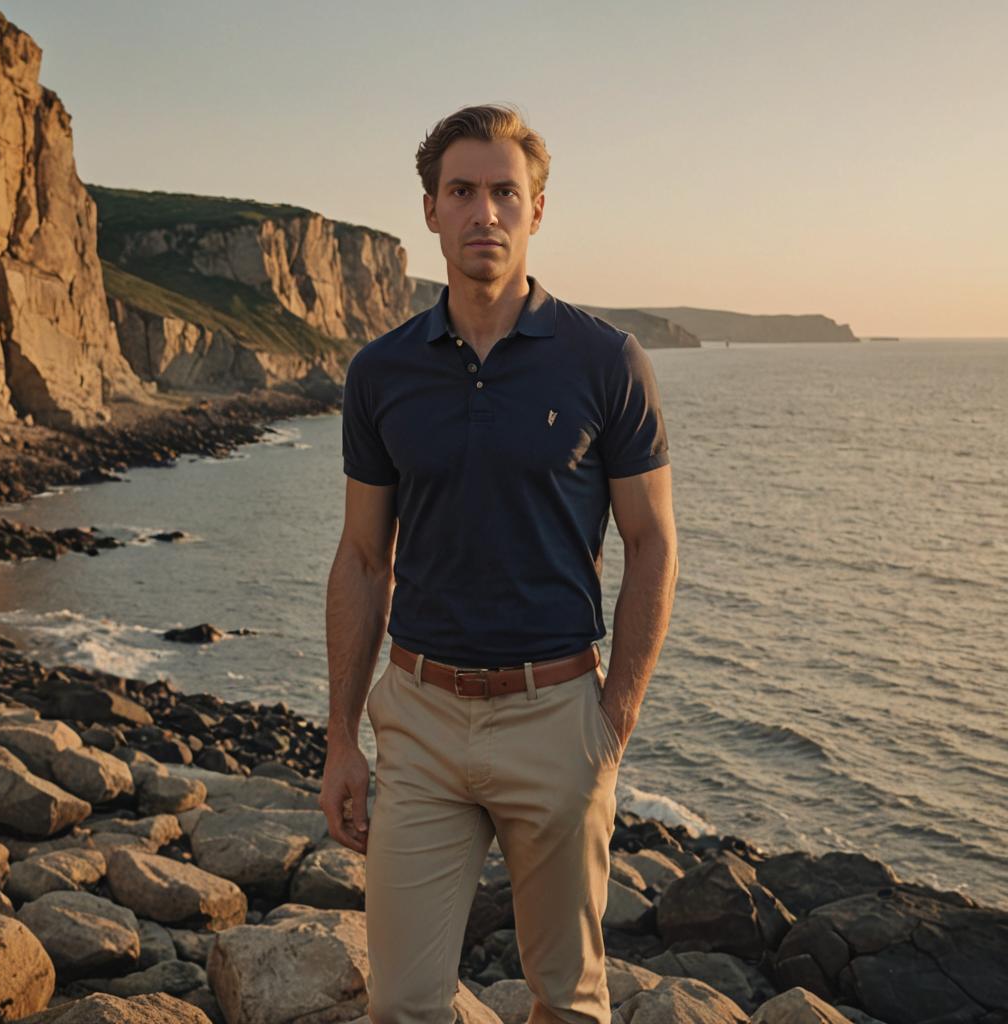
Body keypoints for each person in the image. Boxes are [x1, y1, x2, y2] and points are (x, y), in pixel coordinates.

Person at [320, 103, 679, 1024]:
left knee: (566, 1000)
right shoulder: (382, 373)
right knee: (400, 1004)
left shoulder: (607, 362)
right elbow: (364, 560)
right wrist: (340, 737)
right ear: (432, 211)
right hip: (420, 725)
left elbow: (653, 544)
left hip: (556, 718)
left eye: (504, 193)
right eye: (463, 192)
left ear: (538, 210)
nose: (485, 212)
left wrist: (613, 724)